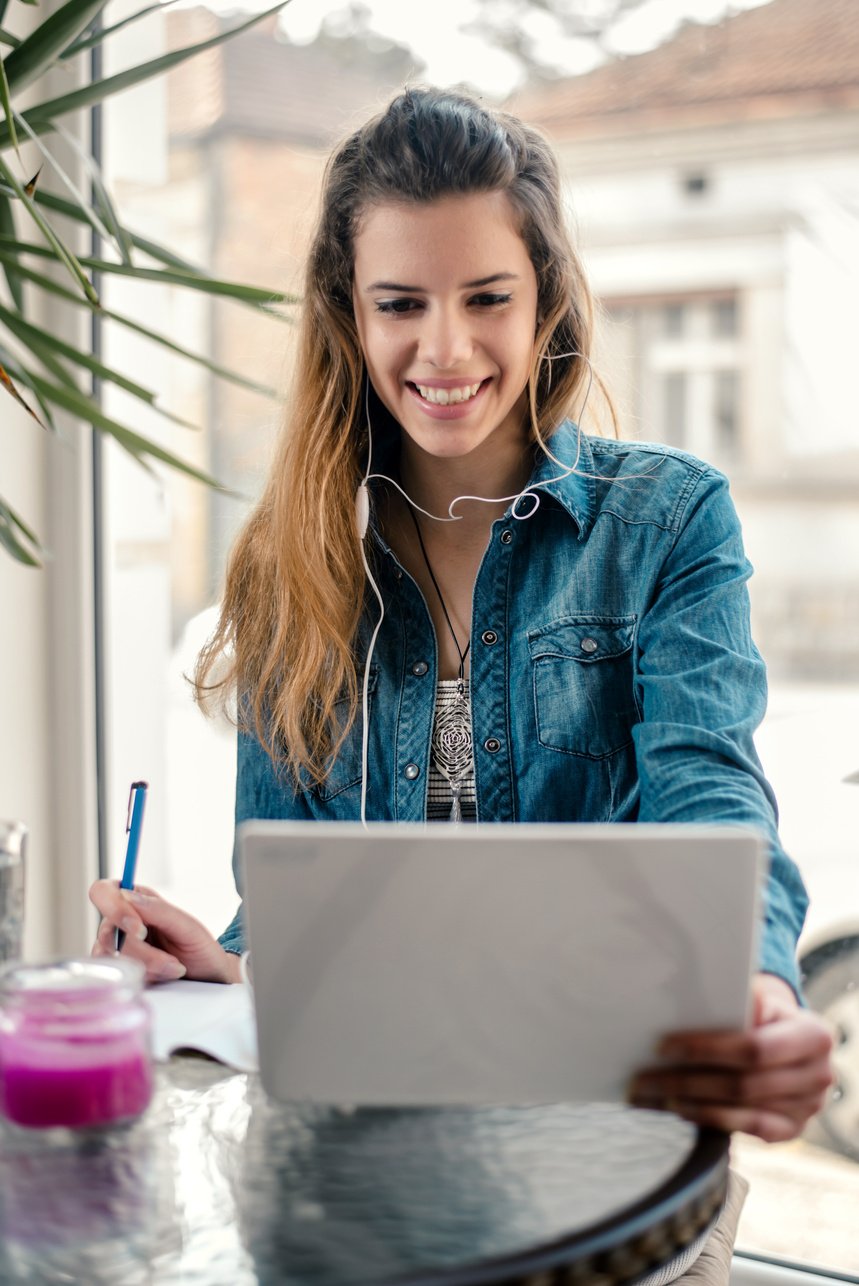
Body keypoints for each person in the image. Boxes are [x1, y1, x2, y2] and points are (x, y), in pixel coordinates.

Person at [91, 87, 832, 1155]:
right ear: (349, 312)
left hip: (613, 1118)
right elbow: (293, 896)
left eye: (487, 296)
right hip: (363, 1136)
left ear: (546, 302)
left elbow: (710, 791)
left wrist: (754, 974)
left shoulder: (666, 519)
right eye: (400, 303)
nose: (446, 349)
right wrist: (225, 961)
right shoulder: (285, 561)